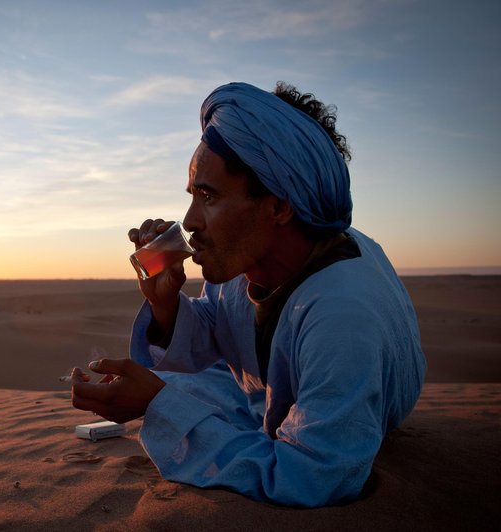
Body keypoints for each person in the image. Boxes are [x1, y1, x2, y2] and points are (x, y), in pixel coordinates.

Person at [70, 81, 426, 507]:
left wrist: (156, 404)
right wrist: (166, 305)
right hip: (263, 402)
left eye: (208, 196)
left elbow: (314, 477)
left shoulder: (342, 314)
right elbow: (223, 333)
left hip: (323, 426)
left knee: (171, 390)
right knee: (176, 380)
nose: (189, 221)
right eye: (193, 196)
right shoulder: (244, 261)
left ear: (278, 206)